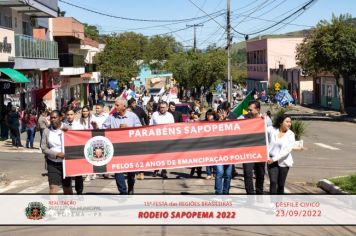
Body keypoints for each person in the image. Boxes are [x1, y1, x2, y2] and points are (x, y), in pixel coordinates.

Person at [97, 97, 142, 194]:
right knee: (118, 171)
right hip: (116, 149)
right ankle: (123, 192)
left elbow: (140, 130)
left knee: (131, 173)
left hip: (130, 149)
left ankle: (131, 187)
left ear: (124, 106)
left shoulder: (133, 116)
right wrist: (95, 128)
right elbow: (102, 129)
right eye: (115, 105)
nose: (115, 107)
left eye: (117, 105)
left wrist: (128, 128)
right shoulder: (111, 117)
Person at [41, 110, 72, 194]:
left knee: (67, 187)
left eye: (55, 117)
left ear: (60, 118)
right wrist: (56, 154)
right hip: (52, 163)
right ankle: (53, 206)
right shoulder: (46, 131)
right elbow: (44, 148)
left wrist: (68, 133)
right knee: (52, 187)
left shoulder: (68, 128)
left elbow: (74, 143)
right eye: (51, 118)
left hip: (66, 163)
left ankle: (70, 205)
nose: (52, 119)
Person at [240, 100, 266, 194]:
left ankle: (259, 194)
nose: (249, 112)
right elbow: (232, 124)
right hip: (247, 152)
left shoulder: (265, 120)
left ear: (258, 110)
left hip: (260, 152)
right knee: (247, 174)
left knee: (260, 174)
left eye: (251, 110)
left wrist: (265, 120)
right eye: (248, 110)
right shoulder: (243, 118)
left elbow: (271, 135)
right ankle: (250, 196)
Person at [267, 114, 295, 194]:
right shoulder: (272, 130)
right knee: (273, 182)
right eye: (287, 121)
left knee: (281, 184)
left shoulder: (291, 135)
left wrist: (274, 159)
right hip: (270, 160)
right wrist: (261, 118)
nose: (289, 124)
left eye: (290, 122)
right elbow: (261, 128)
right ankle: (272, 203)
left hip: (284, 162)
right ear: (280, 123)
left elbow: (286, 151)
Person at [150, 101, 174, 178]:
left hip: (166, 139)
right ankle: (156, 169)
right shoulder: (154, 114)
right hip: (156, 139)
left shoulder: (170, 115)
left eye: (164, 107)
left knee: (165, 156)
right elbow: (150, 126)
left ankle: (164, 171)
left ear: (167, 108)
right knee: (156, 155)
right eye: (161, 107)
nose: (162, 109)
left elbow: (173, 127)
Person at [63, 106, 84, 194]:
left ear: (74, 115)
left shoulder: (80, 126)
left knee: (78, 173)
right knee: (67, 173)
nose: (69, 116)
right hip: (66, 152)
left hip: (77, 151)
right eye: (68, 114)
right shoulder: (62, 125)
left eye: (71, 114)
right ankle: (68, 191)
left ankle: (79, 191)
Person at [205, 109, 216, 180]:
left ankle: (214, 173)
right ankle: (209, 173)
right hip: (206, 144)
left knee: (215, 159)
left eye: (211, 114)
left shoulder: (216, 123)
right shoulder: (204, 123)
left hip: (215, 144)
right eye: (208, 114)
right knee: (208, 160)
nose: (209, 116)